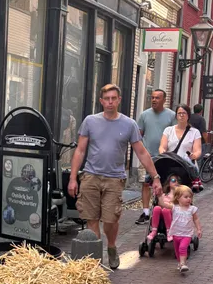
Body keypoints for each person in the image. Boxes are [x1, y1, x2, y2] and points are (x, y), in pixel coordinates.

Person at [67, 83, 163, 271]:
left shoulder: (129, 124)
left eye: (113, 98)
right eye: (106, 99)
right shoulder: (90, 121)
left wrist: (156, 177)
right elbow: (79, 150)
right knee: (91, 218)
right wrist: (72, 178)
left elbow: (142, 152)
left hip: (114, 179)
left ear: (119, 100)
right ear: (101, 101)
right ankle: (95, 258)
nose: (110, 102)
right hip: (91, 176)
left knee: (111, 219)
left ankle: (111, 246)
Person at [136, 90, 175, 224]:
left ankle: (161, 210)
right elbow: (138, 134)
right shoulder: (144, 115)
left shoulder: (171, 115)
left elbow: (175, 135)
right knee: (146, 183)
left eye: (157, 98)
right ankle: (146, 213)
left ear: (164, 100)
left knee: (163, 184)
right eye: (152, 97)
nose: (154, 100)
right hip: (147, 156)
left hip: (164, 157)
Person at [167, 185, 202, 275]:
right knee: (177, 250)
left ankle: (183, 264)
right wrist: (159, 195)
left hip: (187, 234)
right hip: (176, 233)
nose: (188, 199)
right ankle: (180, 263)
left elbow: (196, 219)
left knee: (182, 248)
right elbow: (163, 204)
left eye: (190, 197)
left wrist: (198, 229)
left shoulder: (192, 209)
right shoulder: (175, 208)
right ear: (178, 198)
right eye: (186, 197)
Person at [146, 177, 179, 243]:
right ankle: (154, 231)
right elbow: (160, 202)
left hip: (172, 213)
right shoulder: (164, 193)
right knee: (156, 208)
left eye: (178, 181)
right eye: (173, 180)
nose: (176, 182)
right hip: (161, 211)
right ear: (169, 182)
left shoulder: (179, 195)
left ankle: (169, 232)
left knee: (165, 210)